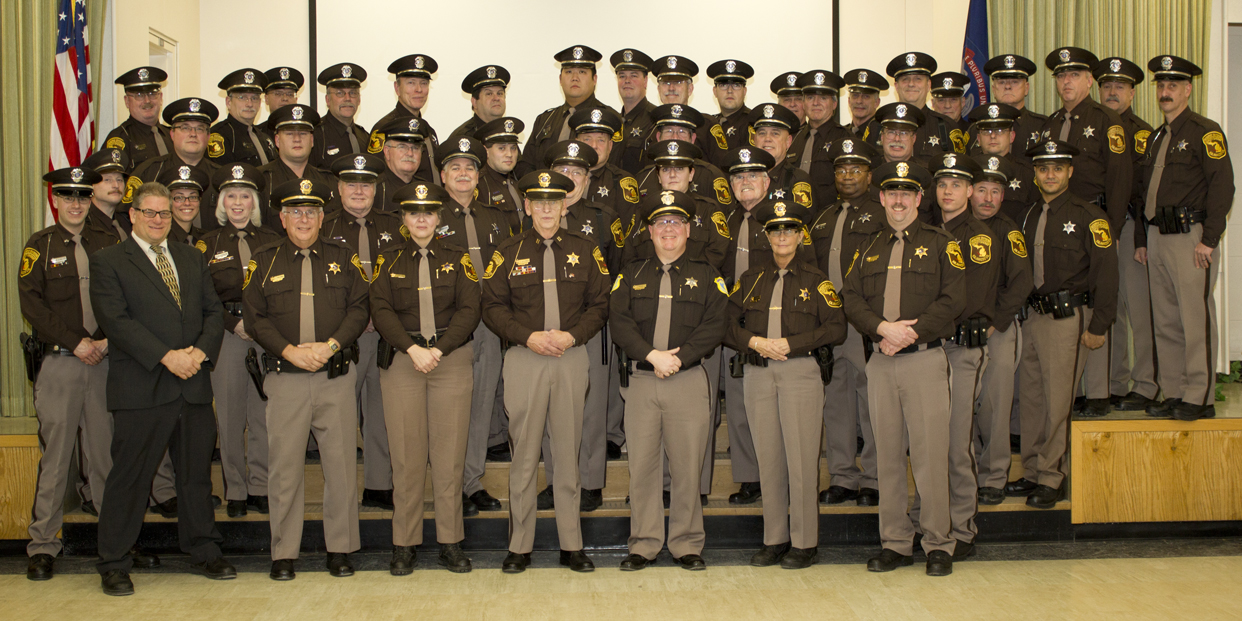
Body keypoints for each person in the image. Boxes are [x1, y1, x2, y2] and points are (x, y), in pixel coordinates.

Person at [90, 181, 233, 595]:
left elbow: (213, 311)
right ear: (133, 215)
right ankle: (114, 560)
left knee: (195, 477)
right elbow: (116, 321)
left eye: (165, 213)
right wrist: (168, 357)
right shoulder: (109, 261)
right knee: (130, 477)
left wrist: (199, 354)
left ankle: (203, 549)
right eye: (150, 212)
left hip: (193, 384)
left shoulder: (191, 257)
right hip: (142, 385)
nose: (158, 220)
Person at [481, 170, 609, 574]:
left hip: (571, 357)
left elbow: (601, 303)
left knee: (568, 452)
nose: (547, 209)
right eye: (539, 202)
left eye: (554, 201)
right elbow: (491, 306)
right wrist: (527, 336)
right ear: (527, 206)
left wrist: (572, 336)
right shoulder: (508, 250)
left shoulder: (586, 249)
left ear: (564, 205)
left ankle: (572, 545)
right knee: (523, 454)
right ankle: (519, 545)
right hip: (525, 358)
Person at [842, 160, 965, 577]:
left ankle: (938, 543)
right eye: (892, 192)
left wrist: (908, 333)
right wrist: (881, 329)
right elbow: (851, 298)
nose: (898, 200)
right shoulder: (868, 247)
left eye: (906, 193)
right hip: (881, 362)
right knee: (887, 456)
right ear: (881, 197)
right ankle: (895, 542)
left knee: (930, 456)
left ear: (918, 198)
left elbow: (954, 298)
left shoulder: (941, 242)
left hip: (924, 360)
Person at [243, 178, 370, 580]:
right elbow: (255, 318)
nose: (303, 219)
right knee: (284, 469)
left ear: (321, 218)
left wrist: (331, 346)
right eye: (295, 212)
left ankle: (341, 548)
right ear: (282, 218)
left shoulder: (343, 257)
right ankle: (284, 552)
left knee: (341, 466)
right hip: (286, 378)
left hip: (335, 375)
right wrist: (289, 350)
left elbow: (359, 308)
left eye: (311, 212)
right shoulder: (263, 261)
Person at [610, 190, 728, 571]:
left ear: (688, 229)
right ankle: (643, 544)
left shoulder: (707, 275)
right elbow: (619, 323)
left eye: (676, 221)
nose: (668, 229)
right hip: (642, 382)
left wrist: (678, 358)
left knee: (687, 467)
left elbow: (715, 325)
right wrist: (651, 355)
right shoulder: (631, 274)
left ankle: (686, 543)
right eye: (661, 222)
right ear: (649, 231)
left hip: (687, 380)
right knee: (642, 468)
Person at [727, 198, 846, 569]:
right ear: (767, 236)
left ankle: (805, 542)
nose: (782, 236)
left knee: (801, 459)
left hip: (800, 373)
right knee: (769, 459)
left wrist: (793, 343)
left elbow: (837, 328)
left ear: (800, 235)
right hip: (758, 373)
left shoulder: (816, 280)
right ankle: (775, 538)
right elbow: (726, 325)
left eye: (789, 230)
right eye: (775, 230)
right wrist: (753, 341)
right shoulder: (750, 279)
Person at [371, 181, 481, 574]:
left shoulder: (458, 257)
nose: (421, 219)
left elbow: (470, 308)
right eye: (414, 213)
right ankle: (404, 543)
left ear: (438, 217)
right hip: (404, 360)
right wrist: (412, 348)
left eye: (428, 212)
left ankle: (451, 541)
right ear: (403, 218)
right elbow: (380, 309)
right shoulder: (387, 260)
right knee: (406, 457)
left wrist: (439, 349)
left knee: (450, 457)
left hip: (449, 359)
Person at [21, 167, 122, 580]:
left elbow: (125, 297)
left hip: (103, 361)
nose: (76, 204)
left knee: (105, 456)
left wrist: (106, 341)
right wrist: (75, 342)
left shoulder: (109, 242)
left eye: (82, 196)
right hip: (61, 363)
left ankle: (113, 546)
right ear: (56, 201)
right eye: (68, 197)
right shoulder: (40, 245)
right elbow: (32, 304)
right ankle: (43, 545)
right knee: (56, 458)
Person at [1007, 140, 1117, 509]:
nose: (1050, 175)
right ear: (1035, 174)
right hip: (1033, 316)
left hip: (1068, 318)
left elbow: (1107, 274)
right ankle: (1033, 469)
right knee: (1032, 399)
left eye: (1057, 168)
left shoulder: (1090, 217)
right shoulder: (1027, 216)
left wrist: (1099, 325)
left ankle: (1053, 475)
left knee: (1058, 401)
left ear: (1070, 171)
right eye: (1043, 168)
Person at [911, 153, 999, 561]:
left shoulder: (978, 237)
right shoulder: (926, 230)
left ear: (970, 191)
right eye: (942, 184)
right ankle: (927, 520)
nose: (948, 191)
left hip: (961, 346)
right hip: (930, 348)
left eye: (957, 184)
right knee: (927, 442)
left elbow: (968, 297)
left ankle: (962, 526)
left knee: (955, 442)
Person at [1138, 55, 1234, 421]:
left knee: (1195, 319)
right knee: (1165, 321)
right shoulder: (1157, 136)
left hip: (1191, 238)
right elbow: (1145, 192)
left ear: (1188, 90)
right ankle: (1175, 391)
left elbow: (1223, 186)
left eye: (1173, 86)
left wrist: (1209, 239)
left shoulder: (1205, 131)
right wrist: (1143, 239)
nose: (1165, 92)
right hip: (1158, 235)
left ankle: (1199, 395)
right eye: (1161, 85)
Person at [535, 140, 624, 512]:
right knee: (550, 410)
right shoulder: (535, 215)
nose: (570, 179)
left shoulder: (604, 218)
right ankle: (556, 480)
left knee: (590, 410)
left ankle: (589, 483)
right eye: (563, 171)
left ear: (588, 180)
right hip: (545, 333)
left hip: (591, 330)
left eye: (577, 173)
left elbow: (618, 271)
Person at [320, 153, 407, 511]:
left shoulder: (394, 225)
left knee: (382, 412)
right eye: (351, 184)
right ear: (339, 188)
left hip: (385, 335)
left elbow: (403, 275)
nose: (359, 191)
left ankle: (378, 484)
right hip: (342, 336)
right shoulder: (323, 226)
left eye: (366, 185)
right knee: (339, 415)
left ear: (375, 189)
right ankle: (341, 490)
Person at [432, 137, 513, 514]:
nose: (463, 174)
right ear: (442, 176)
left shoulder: (498, 218)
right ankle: (448, 486)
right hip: (450, 327)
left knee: (481, 406)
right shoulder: (431, 216)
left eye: (469, 168)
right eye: (455, 168)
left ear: (479, 176)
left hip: (490, 326)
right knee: (451, 410)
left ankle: (472, 482)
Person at [196, 163, 278, 518]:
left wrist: (257, 325)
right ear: (222, 202)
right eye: (231, 196)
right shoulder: (207, 244)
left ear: (254, 202)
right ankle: (236, 490)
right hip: (227, 334)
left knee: (263, 414)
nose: (238, 203)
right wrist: (233, 323)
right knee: (229, 416)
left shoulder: (271, 240)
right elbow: (202, 295)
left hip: (265, 334)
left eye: (245, 196)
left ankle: (260, 486)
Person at [808, 138, 884, 508]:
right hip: (831, 324)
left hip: (866, 323)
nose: (848, 176)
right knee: (835, 403)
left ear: (869, 175)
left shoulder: (882, 214)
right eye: (841, 169)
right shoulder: (823, 217)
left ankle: (874, 478)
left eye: (856, 169)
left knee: (872, 402)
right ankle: (843, 477)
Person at [1093, 56, 1159, 412]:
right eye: (1107, 85)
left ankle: (1146, 384)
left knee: (1139, 309)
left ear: (1132, 93)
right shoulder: (1094, 125)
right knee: (1109, 307)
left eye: (1119, 86)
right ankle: (1115, 383)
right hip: (1098, 228)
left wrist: (1140, 239)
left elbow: (1146, 190)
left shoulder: (1142, 134)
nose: (1112, 92)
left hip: (1131, 228)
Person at [967, 154, 1033, 505]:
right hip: (960, 332)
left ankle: (994, 476)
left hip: (998, 330)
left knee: (994, 405)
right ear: (969, 191)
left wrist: (995, 324)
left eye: (995, 191)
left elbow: (1022, 283)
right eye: (982, 190)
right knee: (963, 406)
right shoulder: (952, 227)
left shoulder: (1009, 231)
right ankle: (966, 475)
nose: (988, 198)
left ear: (1003, 196)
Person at [518, 45, 613, 177]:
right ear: (560, 79)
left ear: (594, 79)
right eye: (568, 72)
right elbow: (526, 165)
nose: (575, 78)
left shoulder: (610, 119)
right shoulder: (545, 120)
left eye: (582, 72)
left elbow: (614, 167)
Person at [128, 97, 222, 225]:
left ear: (208, 136)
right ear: (172, 134)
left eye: (200, 129)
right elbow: (127, 216)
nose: (193, 134)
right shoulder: (149, 172)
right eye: (185, 128)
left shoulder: (220, 177)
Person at [258, 104, 335, 231]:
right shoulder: (262, 181)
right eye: (289, 133)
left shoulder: (328, 181)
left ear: (312, 140)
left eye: (303, 133)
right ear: (277, 140)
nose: (297, 139)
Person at [370, 54, 441, 184]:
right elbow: (377, 180)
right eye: (411, 83)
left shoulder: (428, 131)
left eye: (424, 83)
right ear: (397, 88)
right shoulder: (384, 129)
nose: (418, 89)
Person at [790, 70, 853, 204]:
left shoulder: (844, 138)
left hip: (829, 212)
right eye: (810, 98)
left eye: (823, 98)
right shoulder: (795, 138)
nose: (816, 103)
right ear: (803, 103)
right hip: (794, 212)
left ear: (834, 104)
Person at [885, 52, 961, 156]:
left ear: (929, 85)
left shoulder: (946, 127)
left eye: (918, 79)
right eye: (905, 79)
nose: (911, 84)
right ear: (896, 86)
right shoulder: (877, 126)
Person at [980, 54, 1047, 164]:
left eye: (1014, 82)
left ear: (1026, 88)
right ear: (993, 89)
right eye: (1001, 82)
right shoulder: (978, 128)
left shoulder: (1042, 126)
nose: (1007, 87)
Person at [104, 66, 172, 171]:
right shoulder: (121, 138)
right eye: (139, 95)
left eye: (152, 94)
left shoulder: (172, 135)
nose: (147, 101)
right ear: (127, 101)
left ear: (161, 98)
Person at [208, 68, 276, 167]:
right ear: (228, 102)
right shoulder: (220, 136)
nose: (249, 104)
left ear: (259, 103)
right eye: (242, 97)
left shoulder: (264, 138)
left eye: (254, 98)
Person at [474, 116, 528, 233]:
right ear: (486, 151)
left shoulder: (518, 183)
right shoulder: (479, 185)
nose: (509, 154)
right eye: (502, 148)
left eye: (513, 148)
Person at [311, 63, 370, 168]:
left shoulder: (364, 137)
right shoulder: (315, 136)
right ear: (327, 100)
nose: (347, 98)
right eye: (340, 93)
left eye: (353, 93)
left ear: (359, 100)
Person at [700, 59, 755, 170]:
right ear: (715, 91)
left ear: (744, 91)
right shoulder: (708, 124)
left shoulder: (752, 123)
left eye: (736, 85)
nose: (730, 91)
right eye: (723, 85)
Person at [609, 48, 656, 175]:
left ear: (645, 81)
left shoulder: (655, 120)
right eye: (622, 76)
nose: (627, 80)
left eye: (634, 76)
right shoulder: (612, 122)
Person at [82, 148, 133, 238]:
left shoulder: (126, 222)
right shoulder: (83, 225)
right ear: (92, 185)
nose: (116, 185)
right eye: (107, 180)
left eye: (119, 180)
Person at [449, 65, 510, 140]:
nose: (496, 98)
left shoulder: (508, 132)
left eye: (500, 93)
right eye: (489, 94)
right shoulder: (463, 138)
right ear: (474, 102)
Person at [157, 165, 210, 245]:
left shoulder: (206, 239)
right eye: (179, 197)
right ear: (168, 201)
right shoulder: (160, 239)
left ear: (200, 200)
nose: (187, 203)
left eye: (193, 197)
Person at [842, 68, 889, 142]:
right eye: (855, 96)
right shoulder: (841, 135)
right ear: (849, 101)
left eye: (866, 96)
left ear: (877, 102)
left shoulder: (885, 135)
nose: (859, 101)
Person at [257, 66, 304, 137]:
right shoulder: (258, 135)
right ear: (266, 99)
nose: (285, 98)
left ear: (296, 99)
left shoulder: (306, 132)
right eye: (278, 94)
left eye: (290, 94)